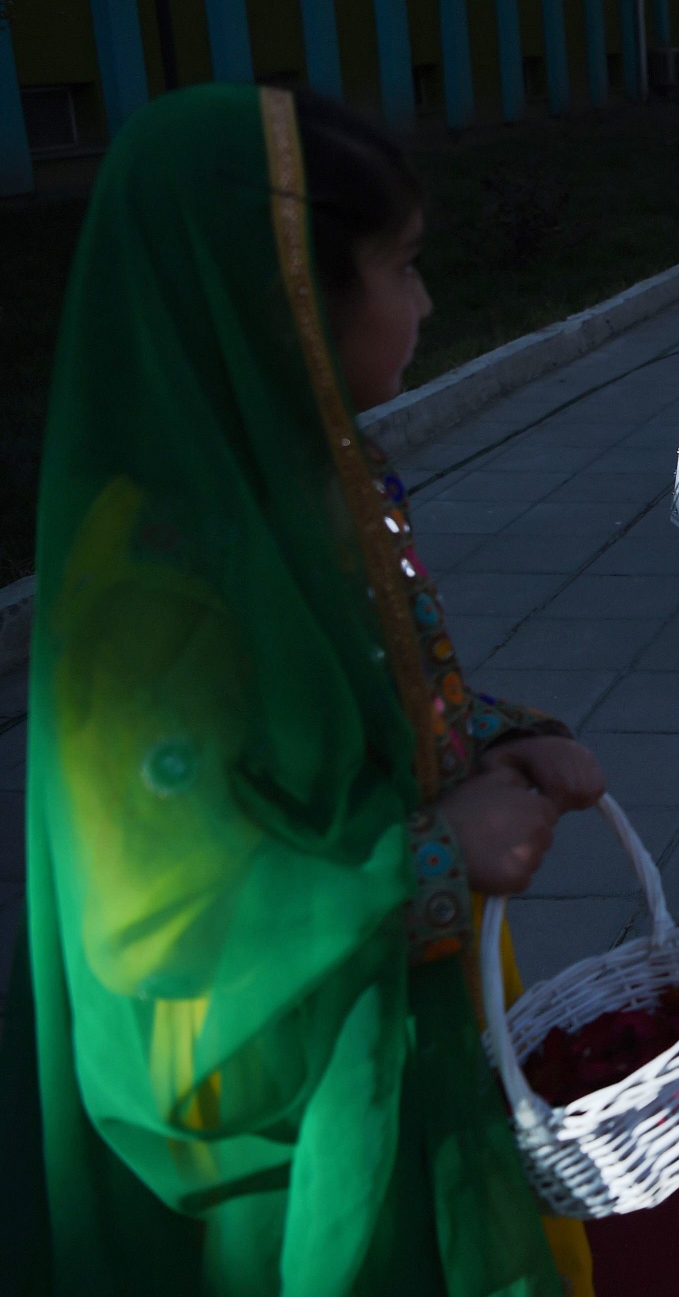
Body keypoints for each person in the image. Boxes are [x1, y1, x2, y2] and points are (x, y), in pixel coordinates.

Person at [1, 83, 603, 1292]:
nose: (428, 302)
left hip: (406, 1026)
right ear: (285, 301)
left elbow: (374, 704)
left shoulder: (318, 487)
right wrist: (431, 857)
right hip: (296, 1143)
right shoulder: (156, 588)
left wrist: (499, 737)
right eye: (405, 267)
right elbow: (166, 928)